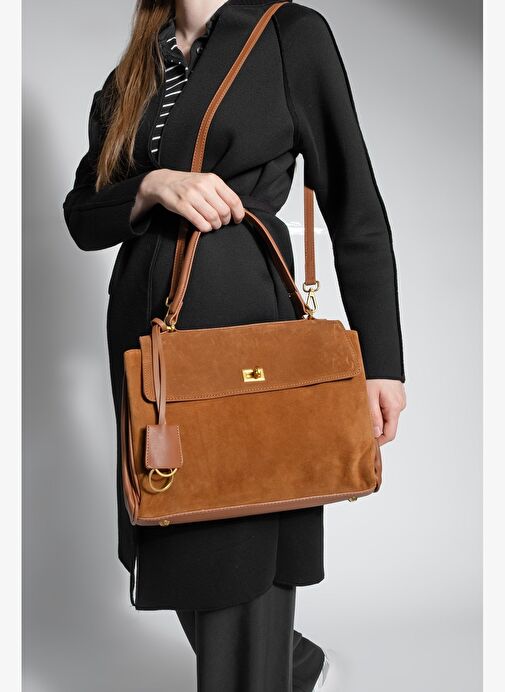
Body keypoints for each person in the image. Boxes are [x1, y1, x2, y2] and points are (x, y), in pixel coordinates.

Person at [62, 1, 407, 690]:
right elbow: (82, 217)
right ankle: (293, 664)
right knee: (173, 531)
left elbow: (355, 207)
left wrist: (383, 363)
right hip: (146, 335)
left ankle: (269, 670)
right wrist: (153, 185)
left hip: (243, 322)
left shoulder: (287, 33)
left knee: (241, 535)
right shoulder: (133, 71)